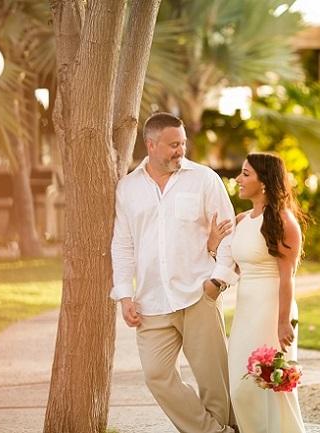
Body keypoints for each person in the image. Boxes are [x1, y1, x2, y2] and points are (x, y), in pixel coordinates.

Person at [110, 112, 238, 433]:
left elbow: (228, 232)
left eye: (182, 143)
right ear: (150, 145)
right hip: (151, 302)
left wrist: (217, 281)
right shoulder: (128, 188)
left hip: (198, 295)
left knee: (214, 384)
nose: (180, 150)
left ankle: (225, 426)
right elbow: (123, 244)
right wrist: (124, 294)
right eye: (172, 145)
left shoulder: (205, 179)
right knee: (156, 375)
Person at [208, 152, 306, 433]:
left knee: (272, 384)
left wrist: (283, 321)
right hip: (246, 311)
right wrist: (215, 245)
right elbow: (234, 268)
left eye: (246, 174)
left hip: (272, 310)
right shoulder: (241, 220)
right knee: (241, 387)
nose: (238, 179)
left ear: (264, 182)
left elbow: (287, 278)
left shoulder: (284, 222)